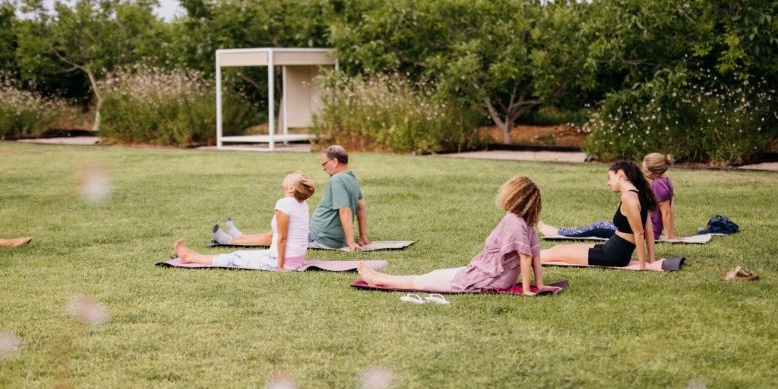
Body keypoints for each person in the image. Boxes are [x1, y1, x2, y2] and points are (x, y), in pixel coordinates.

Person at [356, 176, 547, 293]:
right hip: (487, 274)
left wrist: (525, 291)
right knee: (434, 275)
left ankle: (379, 280)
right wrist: (538, 286)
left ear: (513, 196)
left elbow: (526, 257)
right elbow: (535, 256)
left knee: (427, 280)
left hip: (486, 279)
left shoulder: (512, 221)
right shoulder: (526, 224)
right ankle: (380, 277)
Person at [213, 145, 369, 251]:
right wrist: (362, 236)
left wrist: (351, 242)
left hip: (321, 236)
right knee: (275, 231)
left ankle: (230, 241)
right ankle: (240, 236)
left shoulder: (337, 179)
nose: (324, 168)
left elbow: (345, 210)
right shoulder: (351, 178)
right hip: (321, 234)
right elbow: (361, 207)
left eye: (324, 164)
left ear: (334, 162)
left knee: (281, 235)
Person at [538, 160, 666, 271]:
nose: (608, 183)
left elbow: (640, 233)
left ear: (620, 174)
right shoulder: (640, 194)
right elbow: (648, 230)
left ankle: (524, 256)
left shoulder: (628, 196)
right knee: (559, 248)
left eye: (609, 177)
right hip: (610, 249)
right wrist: (652, 260)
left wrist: (643, 265)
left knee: (558, 253)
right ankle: (525, 254)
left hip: (613, 255)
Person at [175, 171, 315, 271]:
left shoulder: (284, 203)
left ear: (291, 188)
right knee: (244, 254)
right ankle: (194, 255)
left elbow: (283, 238)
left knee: (235, 257)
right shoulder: (303, 205)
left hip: (281, 261)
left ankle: (190, 257)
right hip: (294, 260)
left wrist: (280, 267)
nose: (288, 176)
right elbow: (300, 235)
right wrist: (300, 260)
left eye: (290, 177)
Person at [538, 152, 676, 240]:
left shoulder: (658, 185)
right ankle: (561, 231)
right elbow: (670, 208)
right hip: (644, 228)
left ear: (653, 171)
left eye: (645, 170)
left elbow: (667, 212)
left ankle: (558, 232)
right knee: (600, 224)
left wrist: (669, 236)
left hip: (643, 231)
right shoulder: (665, 181)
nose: (643, 172)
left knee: (597, 227)